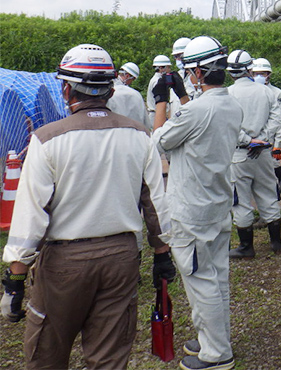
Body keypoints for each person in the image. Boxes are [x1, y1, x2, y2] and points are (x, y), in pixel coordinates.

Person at [1, 44, 174, 369]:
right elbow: (155, 203)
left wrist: (15, 279)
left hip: (64, 264)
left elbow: (30, 217)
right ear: (111, 88)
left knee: (46, 354)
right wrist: (163, 254)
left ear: (66, 88)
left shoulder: (47, 139)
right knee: (109, 357)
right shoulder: (139, 135)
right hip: (121, 259)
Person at [152, 36, 243, 370]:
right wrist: (183, 97)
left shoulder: (194, 111)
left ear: (200, 71)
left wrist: (162, 101)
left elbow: (158, 141)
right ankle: (214, 339)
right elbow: (197, 121)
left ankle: (216, 354)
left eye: (191, 71)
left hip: (192, 209)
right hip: (216, 204)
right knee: (216, 277)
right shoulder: (230, 104)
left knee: (200, 279)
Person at [226, 50, 281, 257]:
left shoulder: (228, 94)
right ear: (249, 68)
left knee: (241, 200)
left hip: (239, 155)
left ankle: (246, 247)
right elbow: (276, 119)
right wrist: (261, 140)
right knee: (268, 194)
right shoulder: (266, 92)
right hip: (263, 153)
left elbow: (229, 125)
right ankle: (276, 242)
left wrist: (247, 141)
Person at [251, 58, 281, 194]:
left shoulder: (276, 93)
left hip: (271, 135)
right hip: (256, 134)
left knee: (272, 161)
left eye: (263, 73)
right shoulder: (252, 92)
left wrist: (278, 144)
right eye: (256, 74)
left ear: (269, 74)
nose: (259, 77)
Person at [107, 61, 148, 128]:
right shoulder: (133, 94)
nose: (131, 82)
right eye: (132, 79)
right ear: (127, 76)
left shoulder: (107, 88)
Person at [146, 54, 172, 127]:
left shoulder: (158, 80)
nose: (169, 70)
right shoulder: (157, 81)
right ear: (161, 68)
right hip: (156, 115)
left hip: (157, 114)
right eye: (168, 67)